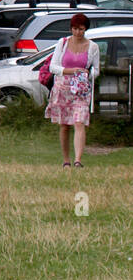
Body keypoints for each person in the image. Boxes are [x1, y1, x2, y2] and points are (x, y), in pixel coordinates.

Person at [46, 13, 101, 167]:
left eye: (81, 29)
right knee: (64, 125)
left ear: (85, 29)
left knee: (79, 122)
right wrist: (72, 71)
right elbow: (53, 67)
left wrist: (88, 74)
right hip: (62, 88)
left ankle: (78, 160)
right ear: (71, 28)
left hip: (81, 90)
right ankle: (66, 160)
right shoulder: (62, 43)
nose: (78, 32)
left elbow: (96, 69)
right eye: (75, 29)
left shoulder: (93, 47)